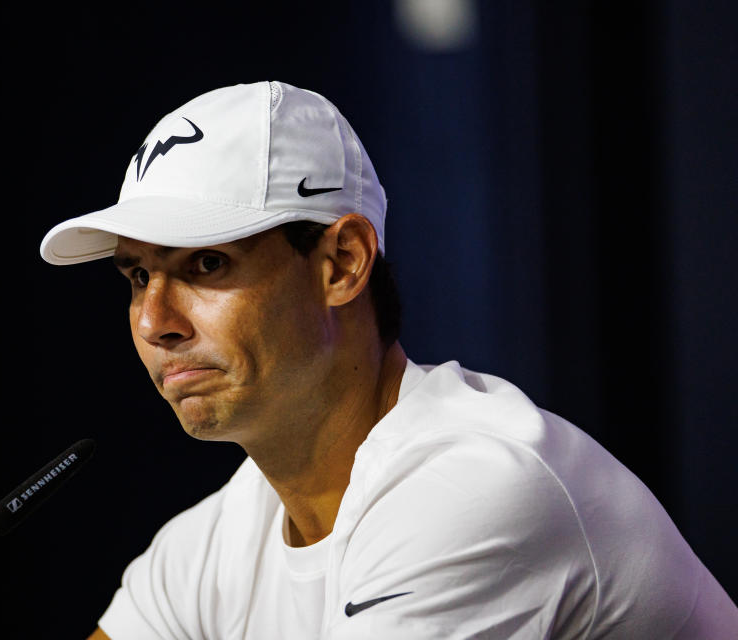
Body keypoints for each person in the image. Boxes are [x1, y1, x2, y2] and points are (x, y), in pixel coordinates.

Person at [39, 81, 737, 639]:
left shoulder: (476, 488)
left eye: (207, 263)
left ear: (341, 263)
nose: (155, 322)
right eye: (136, 278)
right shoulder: (209, 548)